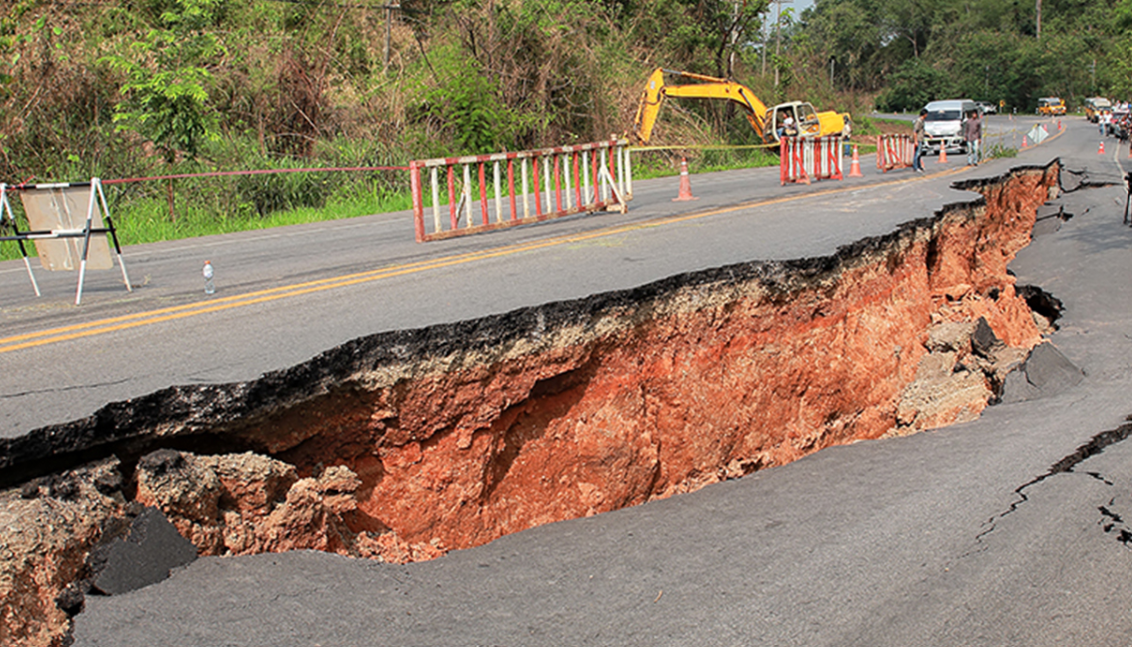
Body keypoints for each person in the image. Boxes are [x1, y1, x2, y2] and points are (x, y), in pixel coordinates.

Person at [912, 108, 927, 172]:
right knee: (917, 154)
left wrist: (929, 134)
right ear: (924, 114)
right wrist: (915, 141)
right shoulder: (918, 121)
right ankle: (915, 167)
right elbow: (915, 131)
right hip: (918, 139)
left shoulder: (922, 121)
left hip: (921, 138)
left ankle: (919, 166)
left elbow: (922, 130)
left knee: (919, 153)